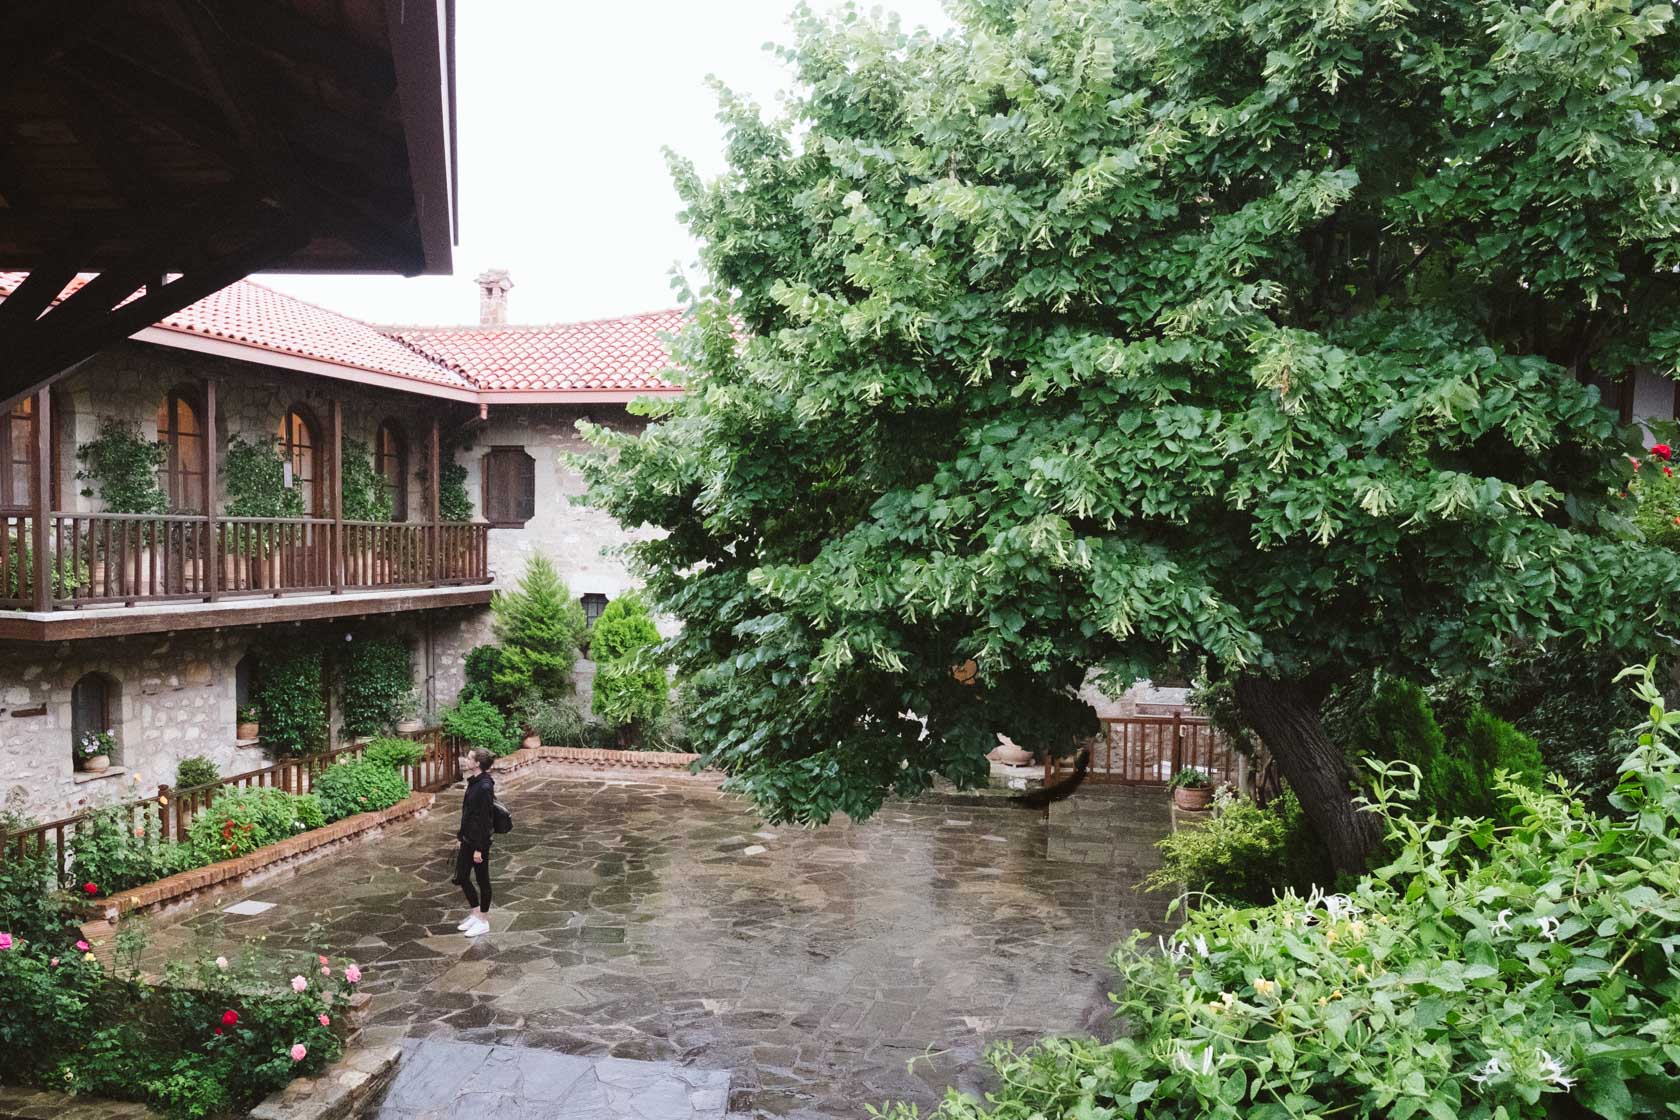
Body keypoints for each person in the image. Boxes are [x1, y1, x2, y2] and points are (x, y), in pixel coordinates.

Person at [455, 748, 495, 938]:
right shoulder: (474, 782)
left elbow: (485, 821)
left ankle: (483, 920)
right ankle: (475, 912)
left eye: (470, 758)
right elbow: (468, 813)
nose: (466, 760)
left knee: (482, 880)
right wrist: (460, 837)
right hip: (467, 838)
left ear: (478, 763)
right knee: (462, 876)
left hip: (479, 842)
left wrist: (480, 848)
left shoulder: (485, 787)